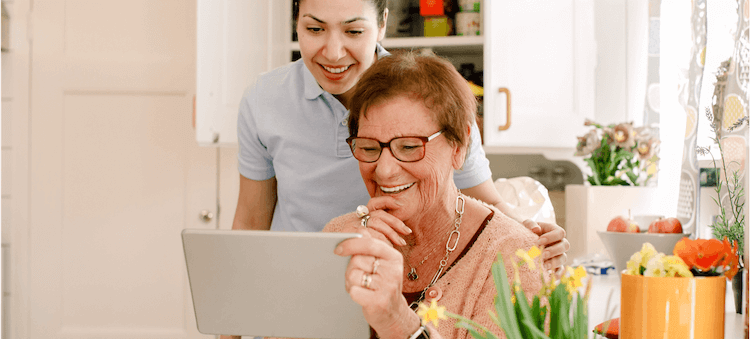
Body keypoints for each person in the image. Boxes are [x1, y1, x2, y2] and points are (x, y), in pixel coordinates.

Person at [233, 0, 569, 267]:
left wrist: (531, 235)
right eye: (314, 28)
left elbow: (484, 201)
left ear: (381, 26)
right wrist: (229, 330)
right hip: (298, 290)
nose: (333, 52)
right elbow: (250, 222)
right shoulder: (264, 100)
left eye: (353, 32)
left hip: (403, 286)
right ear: (297, 25)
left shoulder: (433, 97)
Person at [327, 52, 544, 339]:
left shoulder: (514, 259)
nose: (384, 170)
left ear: (459, 147)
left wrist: (399, 322)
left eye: (408, 147)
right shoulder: (339, 236)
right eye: (368, 148)